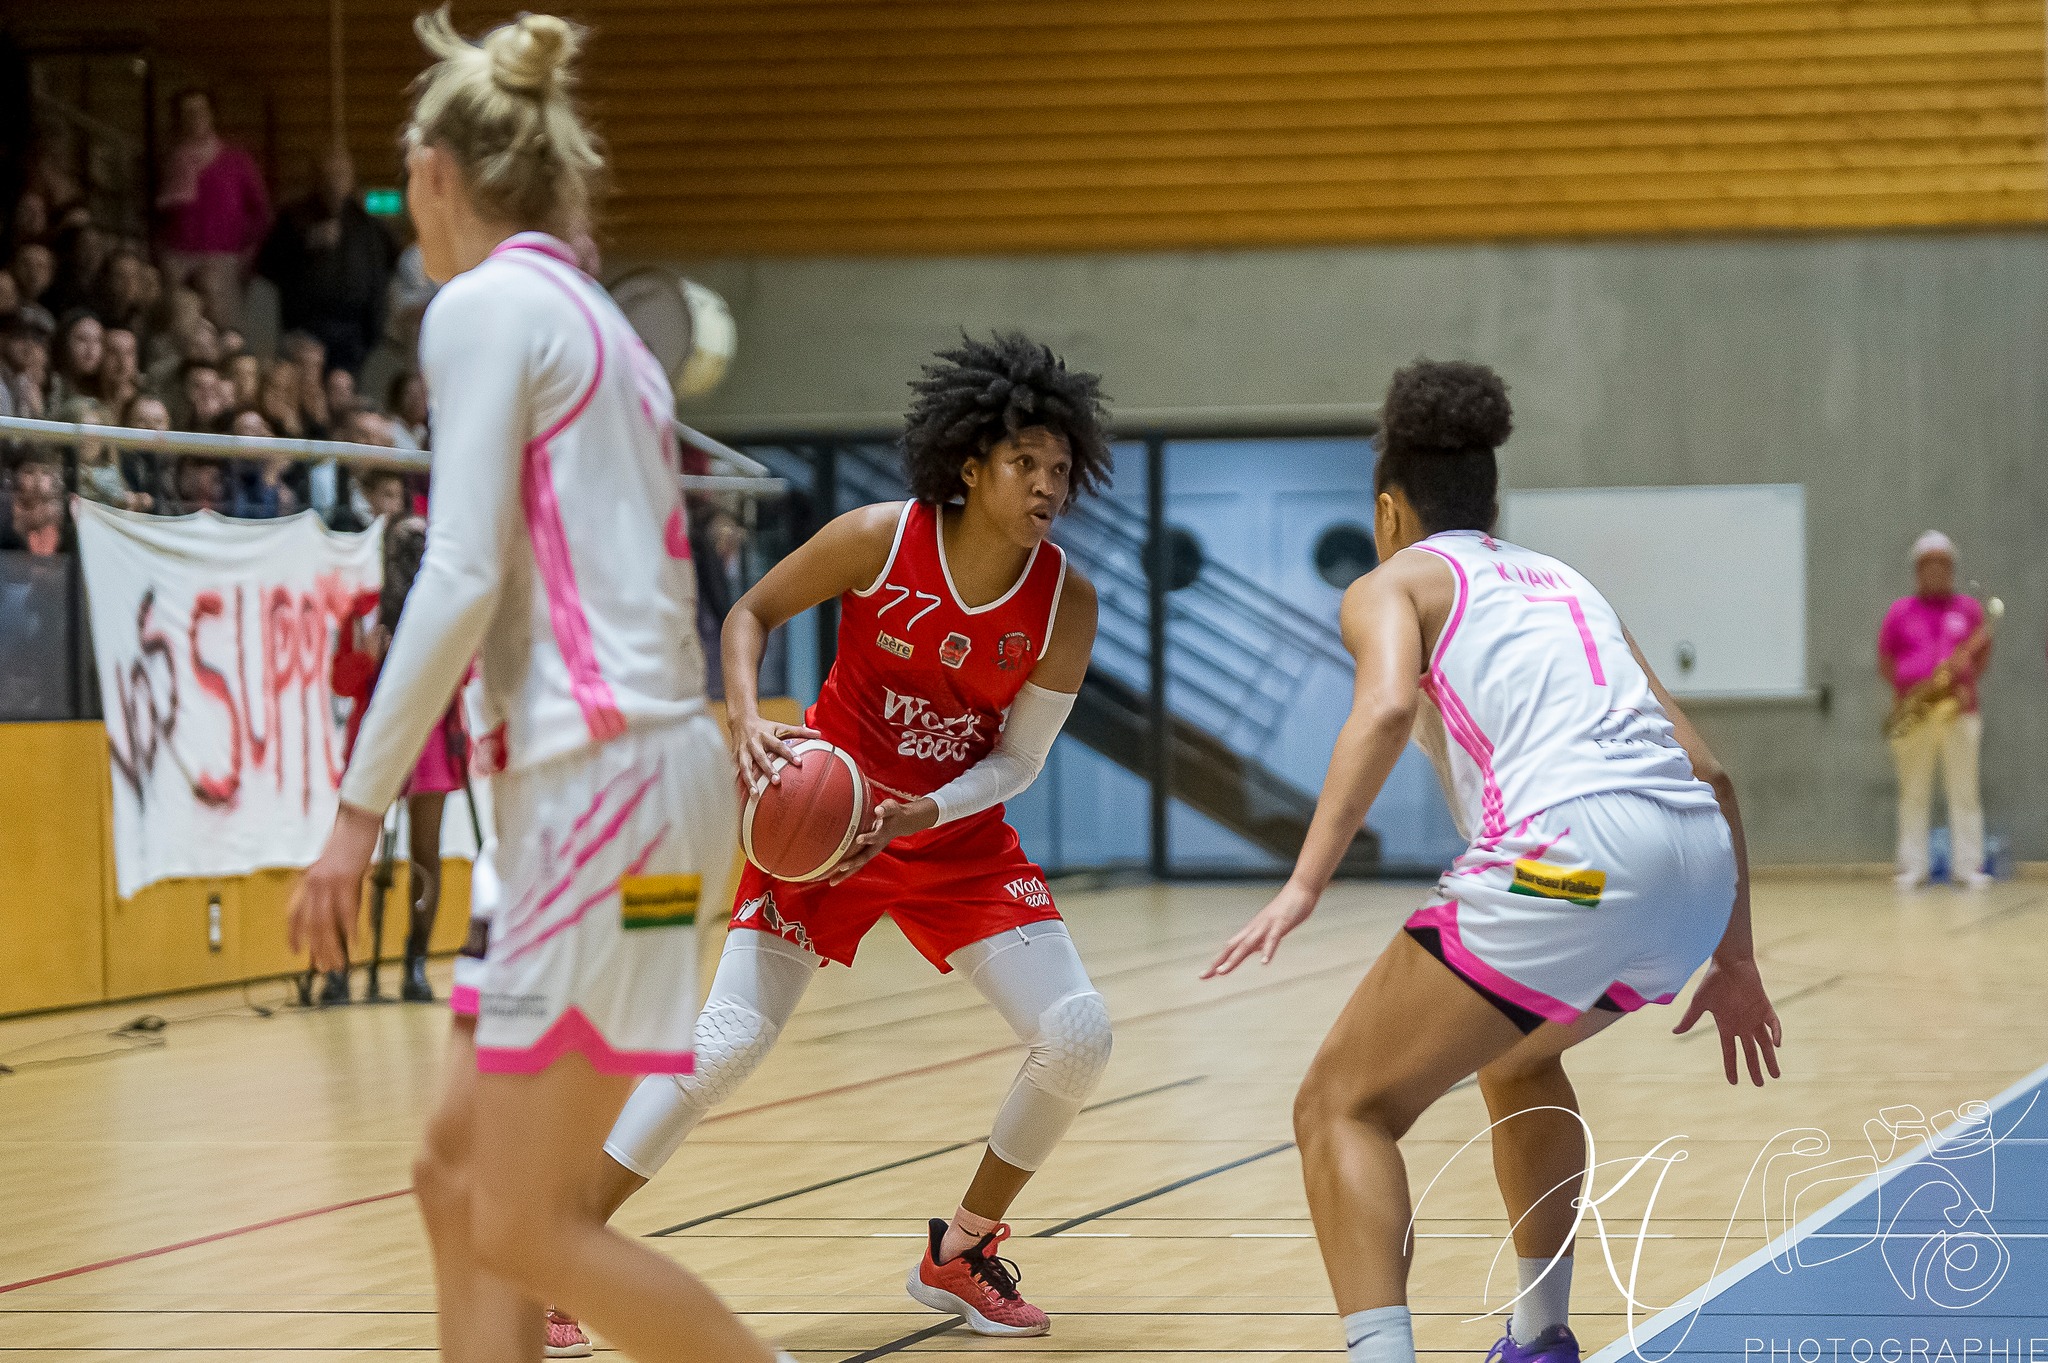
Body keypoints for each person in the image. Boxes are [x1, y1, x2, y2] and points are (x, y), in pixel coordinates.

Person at [286, 13, 780, 1363]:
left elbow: (455, 574)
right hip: (636, 794)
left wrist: (354, 816)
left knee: (520, 1218)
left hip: (598, 787)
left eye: (406, 188)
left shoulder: (484, 305)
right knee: (456, 1178)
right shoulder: (595, 321)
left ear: (434, 172)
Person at [1204, 360, 1783, 1363]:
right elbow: (1713, 773)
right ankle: (1538, 1335)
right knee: (1518, 1058)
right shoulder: (1570, 587)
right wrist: (1734, 958)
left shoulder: (1392, 582)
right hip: (1693, 871)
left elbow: (1387, 706)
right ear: (1491, 503)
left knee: (1341, 1105)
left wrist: (1303, 881)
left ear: (1389, 511)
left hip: (1570, 858)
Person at [582, 332, 1114, 1349]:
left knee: (1078, 1035)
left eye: (1059, 468)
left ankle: (958, 1252)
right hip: (824, 830)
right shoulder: (879, 536)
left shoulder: (1064, 603)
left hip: (953, 836)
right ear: (971, 465)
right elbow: (749, 613)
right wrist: (748, 719)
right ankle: (560, 1250)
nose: (1047, 485)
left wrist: (926, 810)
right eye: (1025, 463)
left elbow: (1019, 758)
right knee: (726, 1044)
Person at [328, 514, 471, 1005]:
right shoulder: (364, 611)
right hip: (375, 740)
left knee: (425, 855)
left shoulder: (447, 611)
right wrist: (367, 658)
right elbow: (341, 681)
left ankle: (415, 963)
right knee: (354, 852)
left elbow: (465, 674)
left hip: (431, 741)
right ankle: (337, 968)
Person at [1877, 531, 1993, 890]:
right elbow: (1885, 660)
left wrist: (1962, 681)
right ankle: (1913, 867)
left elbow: (1982, 656)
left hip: (1959, 712)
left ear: (1952, 569)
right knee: (1913, 792)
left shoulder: (1968, 609)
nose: (1936, 571)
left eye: (1943, 565)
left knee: (1964, 791)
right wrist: (1912, 691)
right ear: (1917, 570)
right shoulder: (1900, 611)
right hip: (1916, 713)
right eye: (1929, 565)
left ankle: (1968, 867)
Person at [259, 146, 397, 375]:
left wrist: (375, 329)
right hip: (307, 328)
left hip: (354, 331)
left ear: (351, 179)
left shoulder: (368, 225)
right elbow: (267, 265)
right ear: (316, 179)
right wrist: (308, 241)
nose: (334, 183)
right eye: (328, 176)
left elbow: (389, 267)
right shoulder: (293, 219)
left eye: (340, 175)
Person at [156, 88, 271, 331]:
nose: (195, 117)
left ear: (211, 114)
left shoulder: (236, 160)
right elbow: (158, 214)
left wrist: (248, 252)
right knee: (179, 327)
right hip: (177, 259)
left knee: (225, 329)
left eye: (200, 110)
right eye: (188, 112)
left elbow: (260, 211)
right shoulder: (169, 161)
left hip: (223, 258)